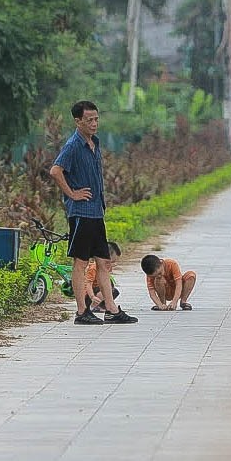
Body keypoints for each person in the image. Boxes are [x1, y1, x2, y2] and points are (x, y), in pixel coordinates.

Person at [49, 100, 138, 325]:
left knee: (103, 262)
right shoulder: (73, 145)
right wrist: (72, 193)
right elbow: (55, 171)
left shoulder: (94, 143)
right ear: (78, 121)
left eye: (96, 119)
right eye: (89, 120)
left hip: (96, 212)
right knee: (81, 262)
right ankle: (81, 311)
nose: (94, 124)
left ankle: (111, 308)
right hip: (81, 213)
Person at [87, 241, 122, 312]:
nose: (112, 264)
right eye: (110, 262)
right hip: (89, 294)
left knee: (114, 291)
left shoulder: (105, 267)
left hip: (97, 290)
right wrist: (92, 296)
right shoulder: (93, 268)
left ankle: (103, 305)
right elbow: (88, 284)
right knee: (106, 289)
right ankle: (92, 306)